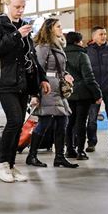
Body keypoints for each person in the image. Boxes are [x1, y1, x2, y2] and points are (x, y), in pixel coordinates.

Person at [0, 0, 50, 183]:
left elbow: (30, 56)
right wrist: (16, 36)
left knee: (18, 124)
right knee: (14, 120)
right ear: (7, 4)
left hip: (22, 82)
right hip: (4, 81)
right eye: (17, 7)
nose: (20, 10)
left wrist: (42, 78)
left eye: (23, 7)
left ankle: (11, 165)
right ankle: (1, 162)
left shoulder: (24, 25)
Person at [27, 18, 78, 168]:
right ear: (50, 29)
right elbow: (37, 70)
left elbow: (58, 68)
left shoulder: (58, 46)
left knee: (63, 122)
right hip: (47, 89)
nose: (61, 29)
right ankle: (32, 156)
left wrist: (65, 74)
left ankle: (59, 157)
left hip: (58, 89)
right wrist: (35, 94)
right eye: (58, 26)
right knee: (44, 122)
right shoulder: (43, 47)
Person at [63, 32, 102, 160]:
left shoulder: (61, 55)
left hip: (67, 94)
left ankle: (69, 150)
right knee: (81, 123)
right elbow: (89, 78)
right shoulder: (82, 55)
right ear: (78, 42)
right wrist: (97, 94)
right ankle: (80, 151)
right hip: (82, 94)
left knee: (69, 123)